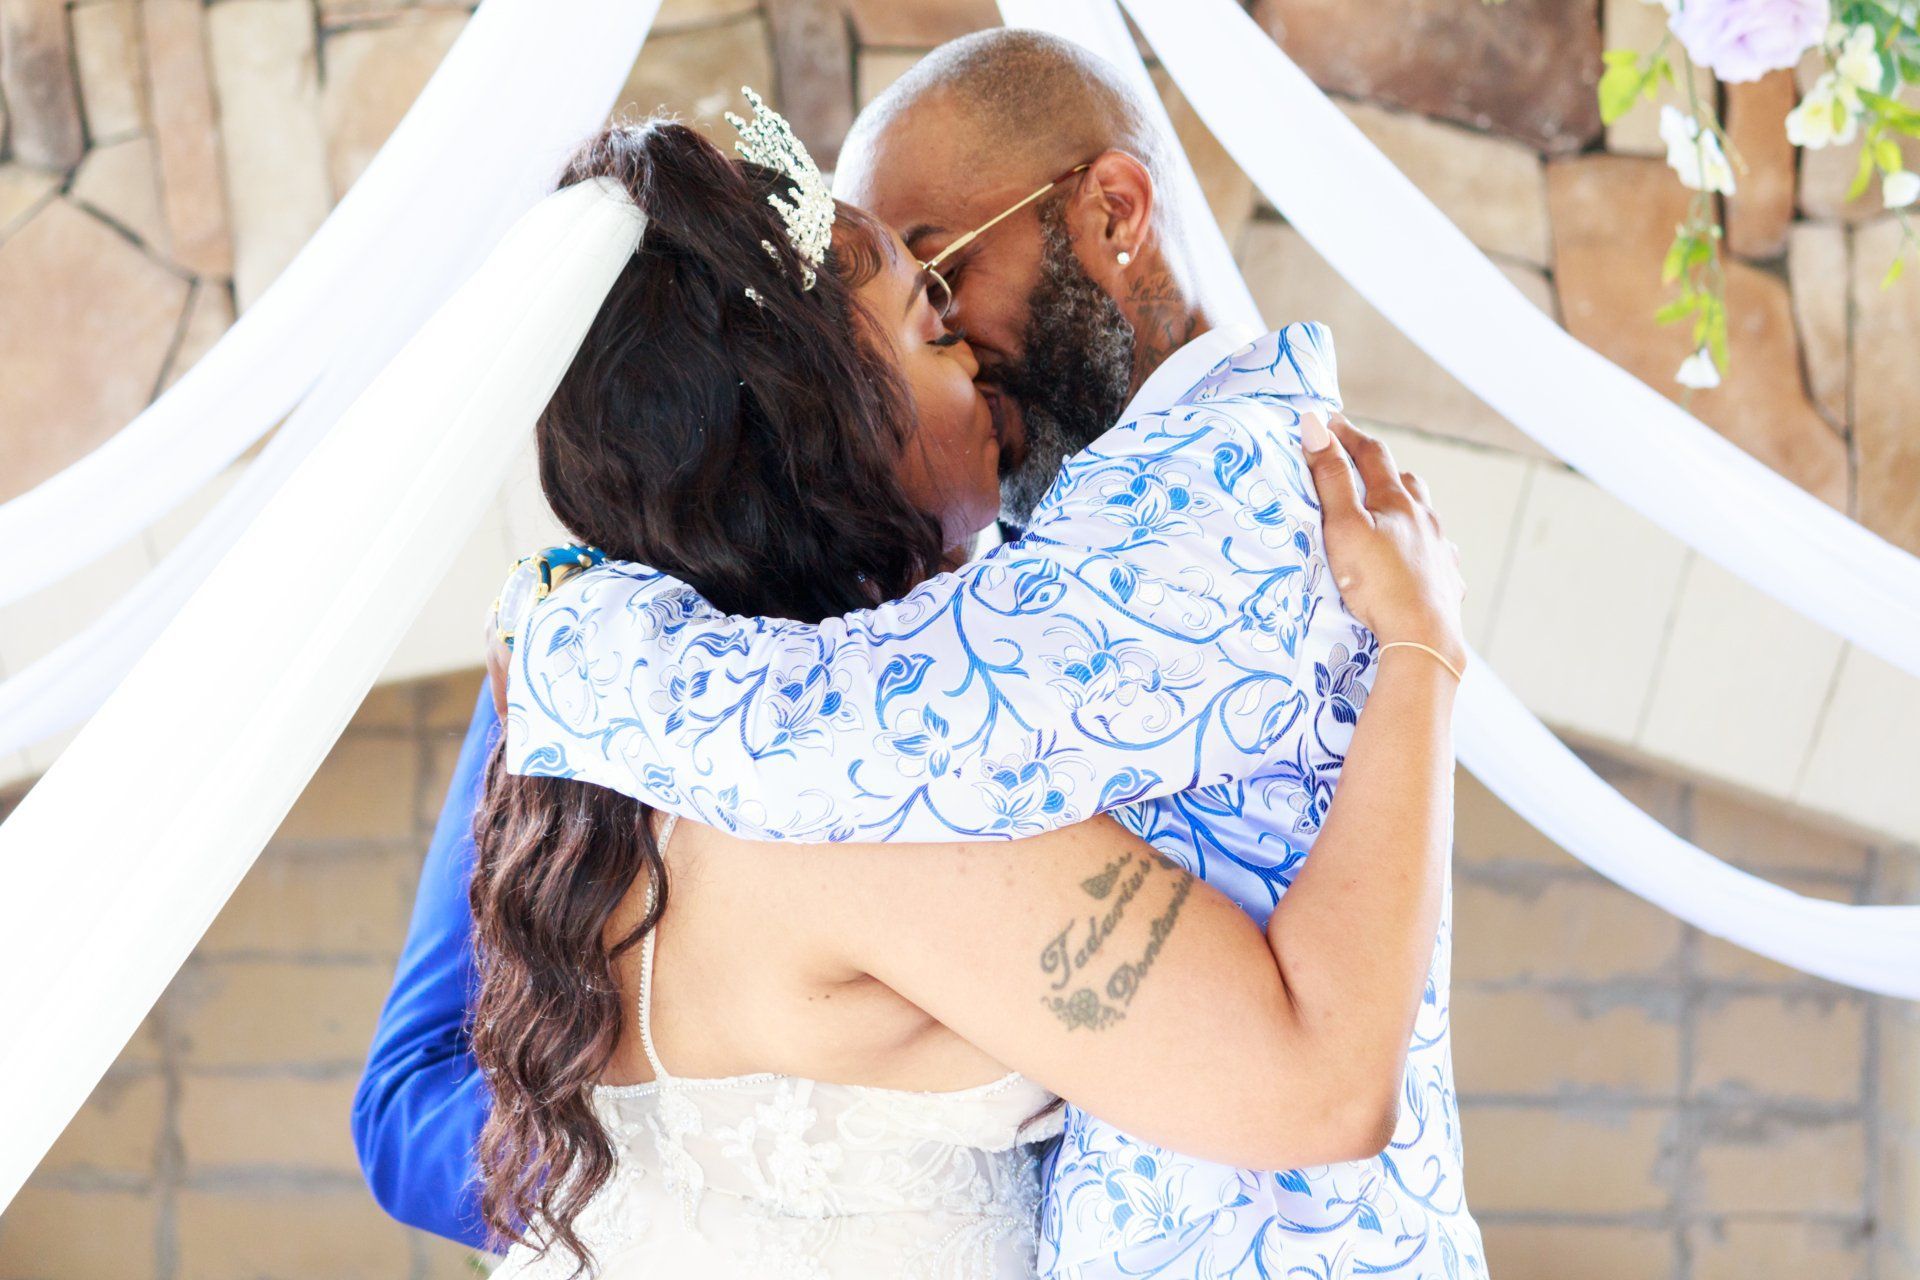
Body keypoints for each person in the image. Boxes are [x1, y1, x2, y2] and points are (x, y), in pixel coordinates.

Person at [355, 32, 1482, 1280]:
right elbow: (1322, 1081)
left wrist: (562, 636)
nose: (971, 354)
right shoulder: (894, 804)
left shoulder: (612, 746)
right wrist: (1424, 653)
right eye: (928, 318)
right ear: (823, 425)